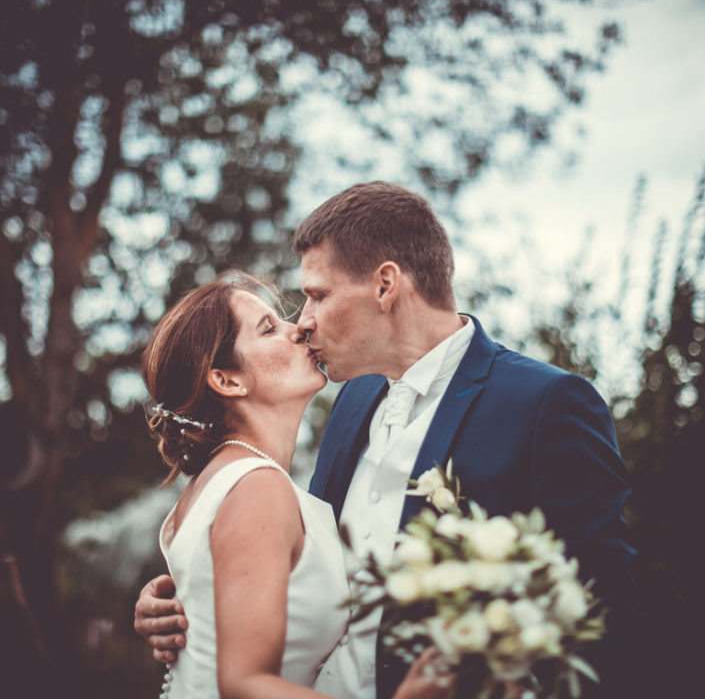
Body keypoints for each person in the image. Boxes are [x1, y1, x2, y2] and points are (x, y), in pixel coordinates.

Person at [135, 182, 637, 698]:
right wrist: (191, 600)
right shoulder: (351, 404)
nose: (303, 322)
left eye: (317, 295)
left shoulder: (545, 403)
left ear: (385, 285)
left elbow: (604, 604)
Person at [139, 274, 453, 699]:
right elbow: (245, 685)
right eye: (269, 329)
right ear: (228, 381)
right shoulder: (256, 487)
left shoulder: (223, 480)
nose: (300, 328)